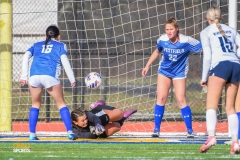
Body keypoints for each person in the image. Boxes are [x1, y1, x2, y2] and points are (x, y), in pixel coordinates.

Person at [141, 17, 202, 138]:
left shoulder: (186, 41)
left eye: (171, 29)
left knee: (181, 100)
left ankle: (190, 130)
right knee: (161, 98)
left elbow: (201, 46)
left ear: (177, 29)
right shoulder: (163, 39)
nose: (168, 32)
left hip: (179, 73)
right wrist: (147, 65)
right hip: (164, 71)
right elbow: (157, 51)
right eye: (166, 29)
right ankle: (156, 130)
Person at [20, 25, 77, 140]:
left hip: (34, 76)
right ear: (58, 36)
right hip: (50, 76)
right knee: (61, 104)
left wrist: (24, 76)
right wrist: (72, 79)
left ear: (46, 35)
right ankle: (70, 132)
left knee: (35, 104)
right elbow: (65, 61)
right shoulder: (61, 45)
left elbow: (26, 55)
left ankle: (32, 134)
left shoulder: (36, 44)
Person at [199, 7, 240, 154]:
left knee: (211, 106)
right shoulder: (231, 29)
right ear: (221, 17)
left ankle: (211, 137)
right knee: (231, 108)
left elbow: (208, 57)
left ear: (207, 17)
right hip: (236, 65)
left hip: (220, 66)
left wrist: (204, 78)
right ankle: (235, 142)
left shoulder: (206, 32)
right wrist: (235, 56)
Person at [71, 100, 137, 138]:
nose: (86, 121)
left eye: (86, 119)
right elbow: (84, 135)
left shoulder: (88, 114)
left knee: (120, 114)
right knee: (117, 127)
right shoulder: (74, 130)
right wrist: (95, 133)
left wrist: (98, 124)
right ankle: (124, 118)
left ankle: (98, 105)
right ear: (75, 122)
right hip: (96, 134)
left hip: (99, 116)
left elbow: (94, 118)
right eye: (82, 120)